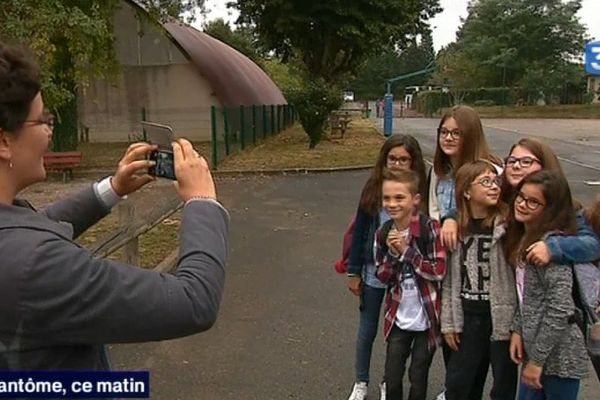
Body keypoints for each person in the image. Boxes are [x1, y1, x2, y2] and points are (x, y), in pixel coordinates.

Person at [0, 40, 228, 369]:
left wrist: (114, 187)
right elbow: (193, 301)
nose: (50, 131)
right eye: (42, 121)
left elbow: (33, 229)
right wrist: (203, 201)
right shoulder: (36, 266)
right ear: (4, 142)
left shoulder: (16, 242)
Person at [346, 135, 427, 400]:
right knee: (367, 329)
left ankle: (387, 381)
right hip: (372, 272)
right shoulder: (373, 189)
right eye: (392, 158)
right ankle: (361, 381)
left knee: (395, 334)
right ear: (384, 159)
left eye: (404, 159)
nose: (397, 163)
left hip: (404, 277)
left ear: (413, 162)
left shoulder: (419, 195)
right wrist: (353, 270)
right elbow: (359, 232)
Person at [507, 171, 587, 400]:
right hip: (536, 353)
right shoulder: (526, 238)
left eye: (533, 202)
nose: (522, 204)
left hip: (559, 357)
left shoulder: (550, 248)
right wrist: (517, 329)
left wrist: (537, 361)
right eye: (521, 197)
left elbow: (560, 308)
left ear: (551, 208)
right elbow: (527, 295)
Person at [441, 160, 517, 400]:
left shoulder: (508, 225)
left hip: (501, 318)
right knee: (459, 385)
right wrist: (449, 322)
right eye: (485, 182)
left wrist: (517, 326)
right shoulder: (455, 229)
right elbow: (449, 280)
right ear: (466, 191)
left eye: (496, 181)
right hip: (467, 316)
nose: (494, 186)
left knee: (503, 387)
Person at [375, 170, 446, 400]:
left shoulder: (429, 229)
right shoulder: (383, 232)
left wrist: (407, 251)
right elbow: (382, 276)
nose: (392, 204)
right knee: (392, 375)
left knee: (419, 374)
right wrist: (393, 254)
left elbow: (438, 271)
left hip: (427, 316)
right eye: (387, 198)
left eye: (399, 198)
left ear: (415, 199)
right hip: (398, 316)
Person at [501, 138, 600, 266]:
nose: (516, 166)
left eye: (526, 162)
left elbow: (593, 245)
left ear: (544, 165)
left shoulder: (567, 208)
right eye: (512, 161)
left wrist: (553, 248)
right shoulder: (499, 200)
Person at [428, 105, 502, 251]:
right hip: (443, 251)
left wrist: (453, 217)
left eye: (456, 133)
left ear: (470, 136)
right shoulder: (438, 172)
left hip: (477, 251)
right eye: (444, 132)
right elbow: (433, 209)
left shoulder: (492, 171)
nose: (448, 138)